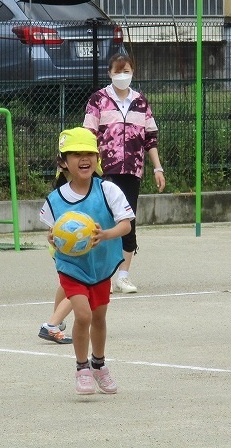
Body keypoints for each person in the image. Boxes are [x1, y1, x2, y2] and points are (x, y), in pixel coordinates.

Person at [38, 127, 134, 395]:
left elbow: (125, 226)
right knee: (84, 315)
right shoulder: (55, 200)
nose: (84, 159)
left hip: (101, 266)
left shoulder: (108, 190)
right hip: (72, 267)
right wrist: (52, 237)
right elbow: (51, 230)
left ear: (97, 157)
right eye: (76, 154)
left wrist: (105, 234)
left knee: (100, 318)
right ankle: (82, 368)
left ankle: (99, 364)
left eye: (89, 153)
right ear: (63, 161)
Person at [84, 53, 165, 294]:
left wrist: (157, 168)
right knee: (102, 219)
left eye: (126, 71)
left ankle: (124, 275)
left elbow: (150, 137)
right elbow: (88, 134)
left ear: (133, 72)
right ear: (109, 73)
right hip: (104, 169)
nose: (122, 76)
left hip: (132, 169)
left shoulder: (141, 101)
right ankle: (101, 274)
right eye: (118, 72)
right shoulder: (98, 99)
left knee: (127, 221)